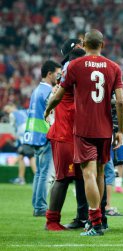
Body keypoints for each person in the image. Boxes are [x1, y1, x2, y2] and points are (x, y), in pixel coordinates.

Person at [44, 29, 123, 236]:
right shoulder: (114, 66)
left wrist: (47, 109)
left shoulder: (74, 66)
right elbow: (121, 102)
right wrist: (121, 130)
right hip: (104, 127)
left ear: (84, 44)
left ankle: (94, 222)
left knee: (85, 174)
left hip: (81, 128)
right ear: (102, 45)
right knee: (98, 174)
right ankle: (97, 219)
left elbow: (58, 95)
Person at [44, 42, 86, 231]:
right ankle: (51, 221)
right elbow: (58, 97)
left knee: (80, 178)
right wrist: (48, 110)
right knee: (63, 178)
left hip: (73, 133)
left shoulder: (69, 73)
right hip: (64, 133)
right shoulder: (72, 72)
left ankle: (82, 217)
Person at [24, 60, 61, 217]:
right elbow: (53, 115)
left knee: (39, 174)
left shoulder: (37, 90)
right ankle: (40, 207)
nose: (59, 77)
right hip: (46, 136)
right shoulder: (48, 92)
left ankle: (37, 205)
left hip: (35, 136)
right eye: (57, 74)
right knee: (46, 174)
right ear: (49, 74)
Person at [3, 103, 36, 185]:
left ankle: (33, 178)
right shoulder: (26, 111)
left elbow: (14, 127)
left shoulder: (12, 115)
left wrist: (17, 138)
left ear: (13, 106)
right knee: (25, 156)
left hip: (25, 137)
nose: (7, 112)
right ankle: (22, 178)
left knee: (26, 155)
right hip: (31, 134)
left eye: (7, 109)